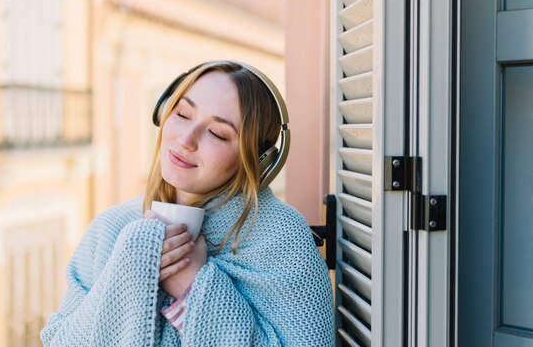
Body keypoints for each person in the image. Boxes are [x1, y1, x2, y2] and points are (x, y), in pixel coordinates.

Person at [40, 60, 334, 346]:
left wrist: (191, 286)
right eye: (182, 114)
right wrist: (132, 263)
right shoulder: (111, 229)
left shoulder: (282, 238)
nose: (185, 140)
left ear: (258, 161)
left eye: (218, 133)